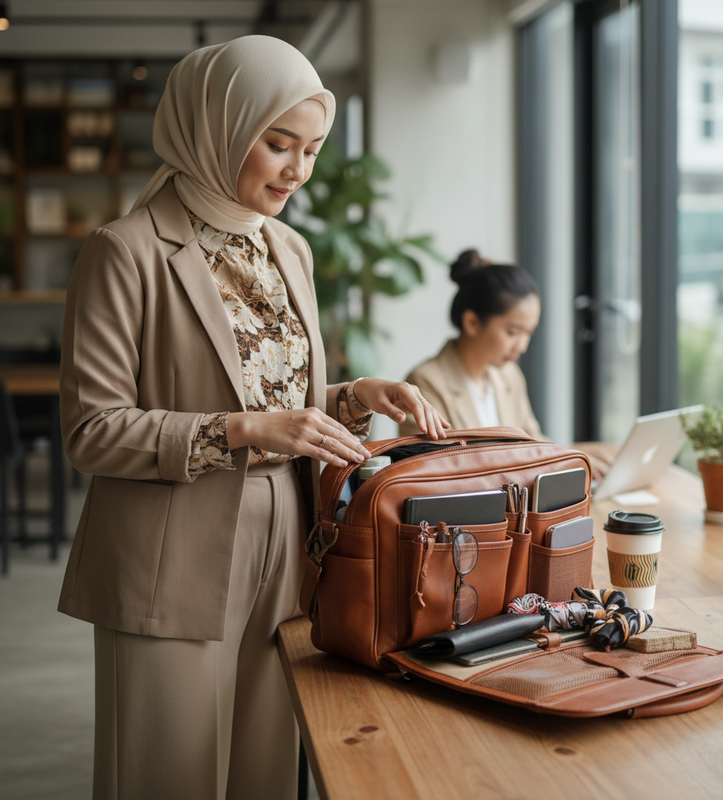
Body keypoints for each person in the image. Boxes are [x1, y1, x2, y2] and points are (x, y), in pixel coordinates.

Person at [57, 36, 448, 800]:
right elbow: (92, 430)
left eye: (312, 149)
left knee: (265, 768)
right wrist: (239, 432)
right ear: (217, 126)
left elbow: (280, 405)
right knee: (166, 770)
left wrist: (353, 397)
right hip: (170, 549)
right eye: (278, 144)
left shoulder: (288, 248)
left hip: (288, 540)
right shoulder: (124, 253)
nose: (298, 172)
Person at [399, 249, 611, 476]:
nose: (522, 346)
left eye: (528, 333)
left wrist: (578, 458)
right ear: (471, 322)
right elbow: (435, 471)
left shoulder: (509, 375)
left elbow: (535, 444)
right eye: (513, 332)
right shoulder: (424, 382)